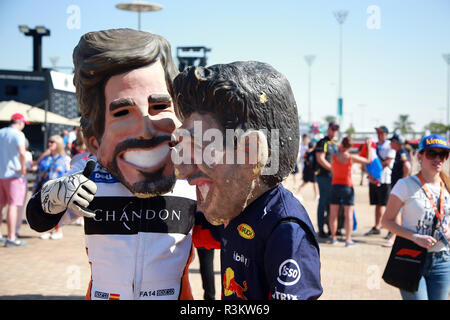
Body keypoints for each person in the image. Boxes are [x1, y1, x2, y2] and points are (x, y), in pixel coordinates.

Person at [26, 28, 197, 300]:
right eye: (122, 112)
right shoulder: (90, 176)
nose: (146, 129)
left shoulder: (192, 178)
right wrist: (54, 195)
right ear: (93, 139)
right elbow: (38, 220)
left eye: (159, 107)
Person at [172, 61, 322, 300]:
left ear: (250, 153)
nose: (182, 169)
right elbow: (184, 234)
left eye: (200, 147)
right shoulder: (236, 208)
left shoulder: (285, 229)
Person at [382, 134, 450, 300]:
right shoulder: (405, 185)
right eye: (432, 153)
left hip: (442, 260)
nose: (438, 159)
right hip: (410, 256)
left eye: (443, 154)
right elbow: (386, 221)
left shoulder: (447, 185)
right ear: (420, 156)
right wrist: (414, 236)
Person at [329, 137, 372, 246]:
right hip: (347, 186)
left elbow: (331, 168)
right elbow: (368, 160)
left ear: (342, 144)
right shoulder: (351, 157)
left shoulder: (334, 157)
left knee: (333, 214)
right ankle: (348, 240)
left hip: (335, 185)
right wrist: (369, 147)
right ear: (350, 146)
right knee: (348, 214)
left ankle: (333, 238)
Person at [34, 135, 71, 240]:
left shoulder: (65, 158)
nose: (50, 144)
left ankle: (58, 230)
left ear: (58, 144)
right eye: (49, 141)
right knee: (46, 210)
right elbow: (38, 168)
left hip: (59, 188)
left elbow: (68, 173)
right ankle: (48, 230)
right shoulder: (47, 158)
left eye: (52, 142)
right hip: (45, 187)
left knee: (57, 210)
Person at [0, 113, 29, 247]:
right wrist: (23, 168)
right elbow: (22, 153)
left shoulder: (1, 132)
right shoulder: (18, 134)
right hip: (14, 175)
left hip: (1, 174)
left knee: (1, 206)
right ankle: (11, 237)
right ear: (20, 122)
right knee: (13, 205)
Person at [365, 126, 395, 236]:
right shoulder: (374, 145)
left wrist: (374, 171)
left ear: (386, 134)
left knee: (387, 204)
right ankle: (377, 226)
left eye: (381, 132)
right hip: (375, 179)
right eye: (378, 132)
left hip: (385, 178)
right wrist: (371, 174)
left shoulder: (389, 145)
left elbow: (387, 162)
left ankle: (391, 229)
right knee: (377, 204)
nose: (379, 134)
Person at [383, 134, 412, 247]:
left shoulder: (402, 152)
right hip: (397, 186)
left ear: (396, 142)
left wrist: (404, 182)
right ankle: (394, 236)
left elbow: (407, 166)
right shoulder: (399, 152)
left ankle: (394, 237)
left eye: (392, 141)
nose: (390, 143)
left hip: (399, 187)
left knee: (397, 213)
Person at [315, 121, 339, 238]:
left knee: (332, 204)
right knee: (323, 203)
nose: (334, 131)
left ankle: (331, 228)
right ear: (328, 129)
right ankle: (320, 229)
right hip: (324, 177)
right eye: (332, 128)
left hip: (334, 178)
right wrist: (333, 170)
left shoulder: (335, 143)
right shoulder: (322, 142)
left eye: (336, 129)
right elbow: (320, 159)